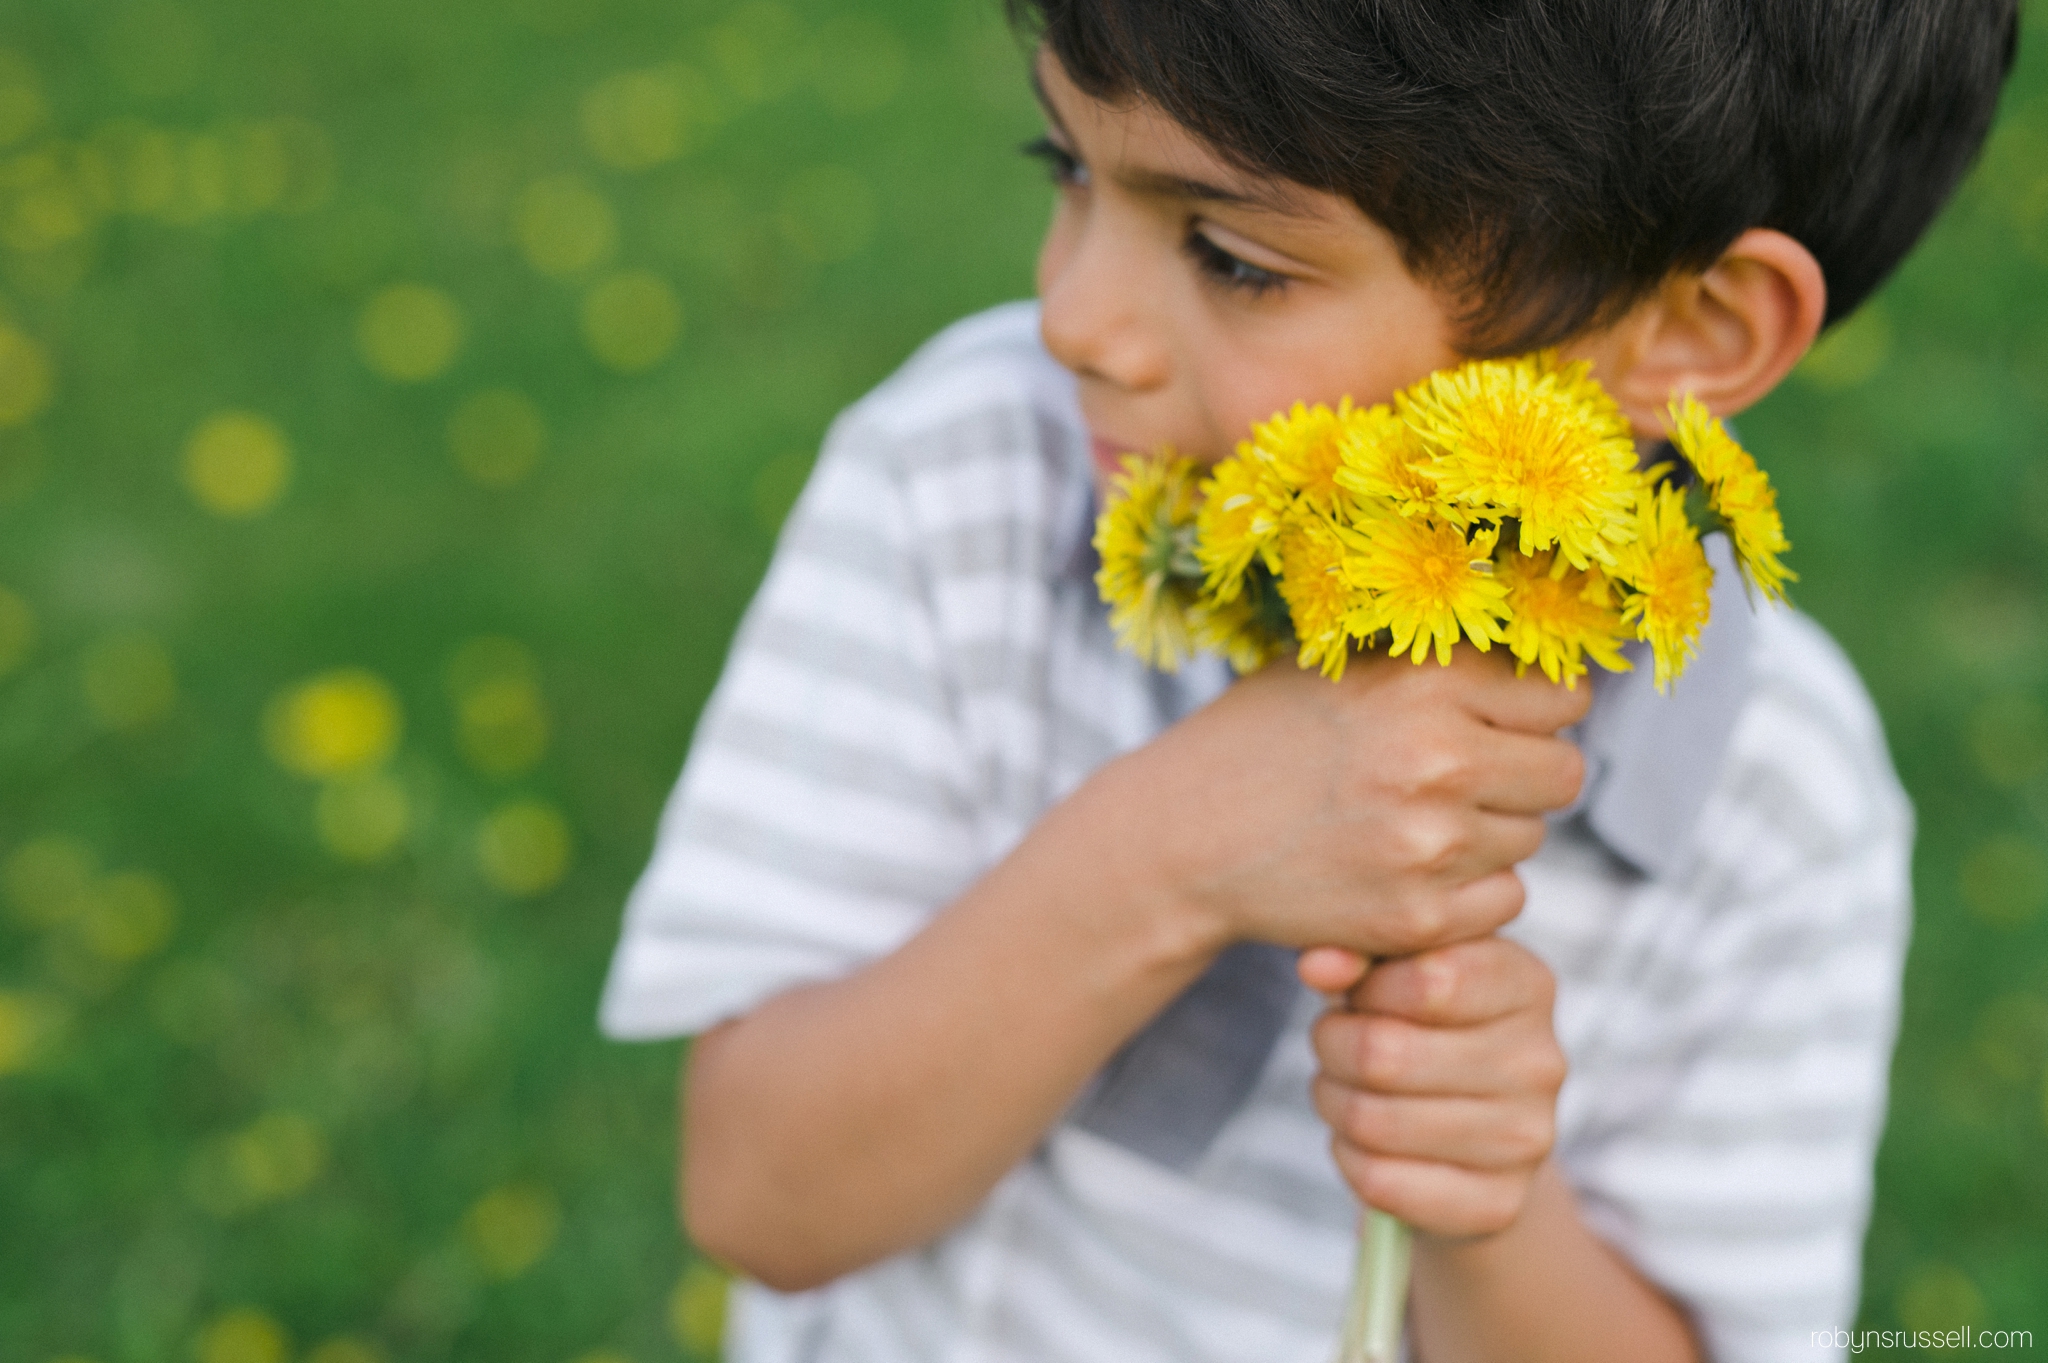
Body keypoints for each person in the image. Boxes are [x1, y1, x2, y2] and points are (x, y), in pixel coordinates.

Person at [600, 2, 2017, 1360]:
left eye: (1231, 254)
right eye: (1066, 169)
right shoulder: (967, 476)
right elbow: (758, 1198)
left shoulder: (1779, 796)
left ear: (1690, 334)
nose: (1072, 316)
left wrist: (1484, 1205)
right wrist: (1171, 854)